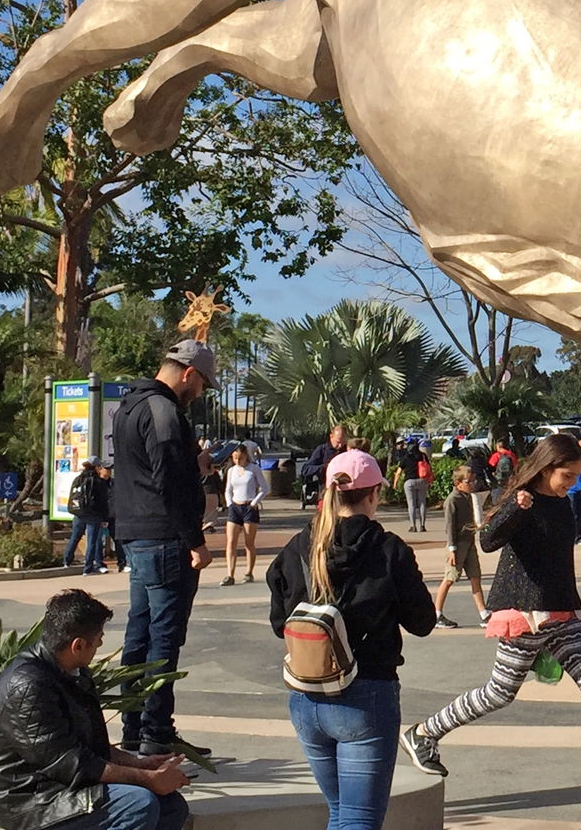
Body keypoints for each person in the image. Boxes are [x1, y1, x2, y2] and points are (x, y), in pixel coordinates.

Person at [399, 434, 581, 803]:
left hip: (562, 613)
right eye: (567, 475)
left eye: (576, 476)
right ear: (547, 469)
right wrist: (517, 508)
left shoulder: (562, 505)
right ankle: (424, 733)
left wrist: (573, 606)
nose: (572, 483)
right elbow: (488, 542)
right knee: (499, 693)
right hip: (524, 613)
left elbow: (560, 561)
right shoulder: (523, 499)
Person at [267, 449, 436, 830]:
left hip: (307, 697)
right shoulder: (388, 549)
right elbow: (423, 622)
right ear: (374, 494)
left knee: (342, 814)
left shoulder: (299, 546)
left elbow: (280, 623)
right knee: (358, 820)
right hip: (366, 695)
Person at [0, 589, 192, 830]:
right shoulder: (27, 686)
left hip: (59, 783)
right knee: (138, 804)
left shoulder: (72, 672)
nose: (100, 644)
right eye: (99, 638)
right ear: (77, 645)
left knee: (171, 806)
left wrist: (140, 764)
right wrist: (148, 779)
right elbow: (69, 762)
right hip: (27, 800)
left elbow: (91, 747)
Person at [112, 339, 217, 755]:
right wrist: (195, 541)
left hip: (137, 535)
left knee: (139, 636)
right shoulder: (163, 411)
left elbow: (140, 473)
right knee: (163, 640)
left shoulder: (130, 406)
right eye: (203, 384)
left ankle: (135, 730)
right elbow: (170, 483)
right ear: (188, 374)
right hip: (165, 540)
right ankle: (155, 734)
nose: (201, 393)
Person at [433, 465, 491, 628]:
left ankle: (484, 614)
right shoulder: (452, 500)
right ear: (458, 483)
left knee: (475, 576)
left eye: (473, 480)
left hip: (469, 542)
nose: (472, 484)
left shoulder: (468, 497)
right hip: (457, 545)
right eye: (468, 481)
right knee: (449, 578)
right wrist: (452, 549)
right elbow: (450, 527)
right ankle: (437, 614)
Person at [221, 444, 269, 586]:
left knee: (249, 542)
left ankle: (249, 572)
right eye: (235, 458)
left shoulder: (253, 469)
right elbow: (228, 489)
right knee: (231, 541)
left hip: (249, 507)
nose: (238, 461)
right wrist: (229, 504)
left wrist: (254, 502)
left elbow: (264, 488)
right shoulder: (231, 470)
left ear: (246, 456)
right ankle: (230, 574)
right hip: (235, 507)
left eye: (240, 458)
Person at [64, 459, 106, 575]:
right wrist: (103, 516)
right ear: (96, 467)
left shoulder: (78, 479)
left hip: (78, 513)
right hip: (93, 514)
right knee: (91, 541)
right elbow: (102, 500)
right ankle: (88, 568)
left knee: (74, 537)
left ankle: (66, 561)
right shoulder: (97, 481)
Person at [392, 439, 431, 534]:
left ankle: (413, 526)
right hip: (422, 481)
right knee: (422, 503)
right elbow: (429, 468)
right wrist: (429, 482)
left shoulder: (405, 457)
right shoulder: (423, 456)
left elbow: (398, 472)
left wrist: (395, 484)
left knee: (411, 504)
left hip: (409, 482)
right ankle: (422, 526)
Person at [301, 425, 349, 503]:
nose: (340, 446)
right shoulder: (322, 450)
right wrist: (324, 467)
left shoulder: (347, 450)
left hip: (345, 490)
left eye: (343, 442)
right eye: (338, 442)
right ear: (331, 436)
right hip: (326, 488)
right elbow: (305, 469)